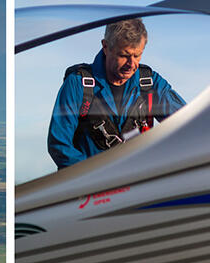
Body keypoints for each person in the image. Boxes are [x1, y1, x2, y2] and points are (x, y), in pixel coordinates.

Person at [47, 18, 186, 169]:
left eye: (137, 55)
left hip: (139, 183)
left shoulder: (150, 84)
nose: (131, 64)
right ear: (106, 47)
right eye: (124, 55)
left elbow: (189, 124)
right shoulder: (78, 85)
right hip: (91, 187)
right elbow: (60, 145)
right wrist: (94, 179)